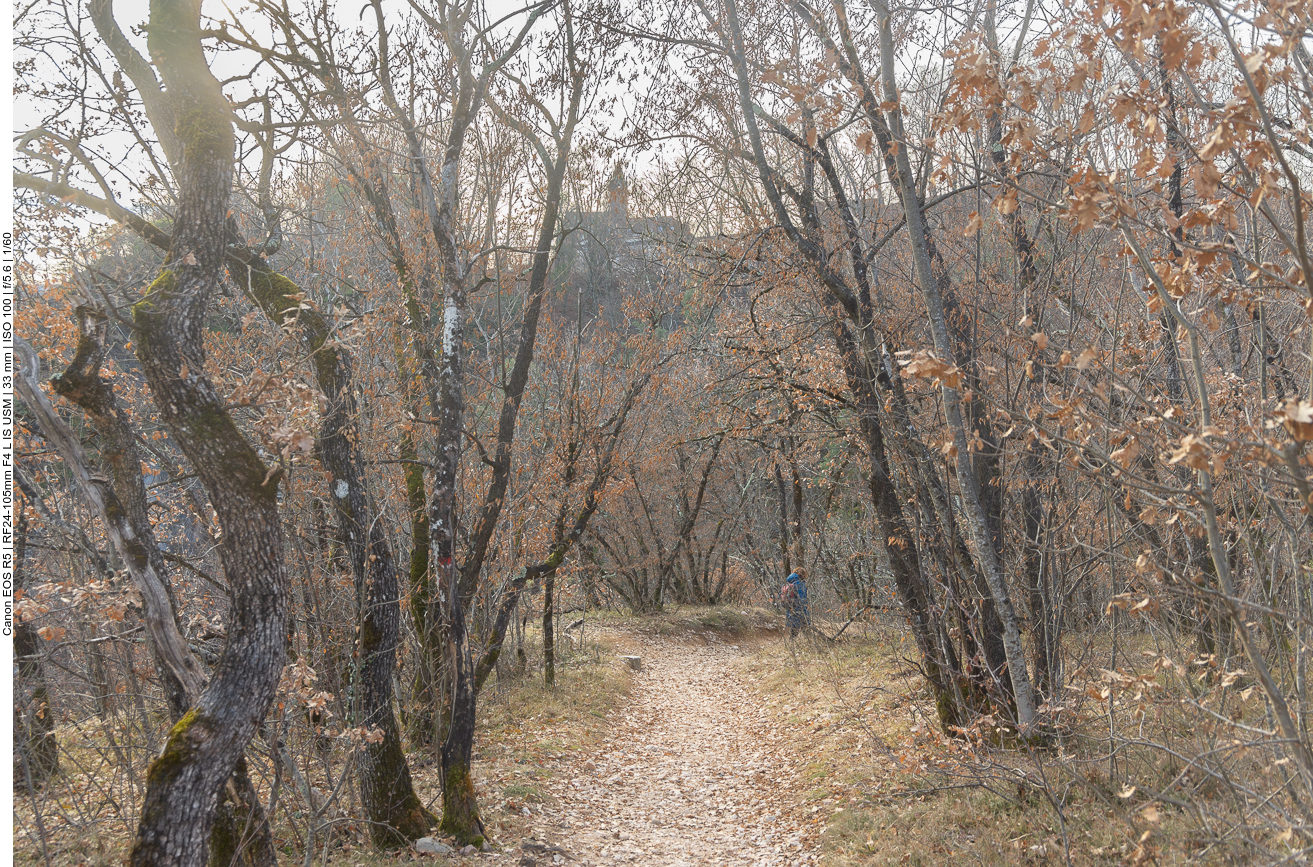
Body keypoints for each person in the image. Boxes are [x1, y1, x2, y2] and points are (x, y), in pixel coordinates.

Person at [782, 568, 809, 638]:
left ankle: (790, 647)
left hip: (791, 611)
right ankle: (811, 646)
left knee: (793, 633)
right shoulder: (801, 584)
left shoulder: (788, 583)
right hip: (800, 611)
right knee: (807, 633)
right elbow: (802, 599)